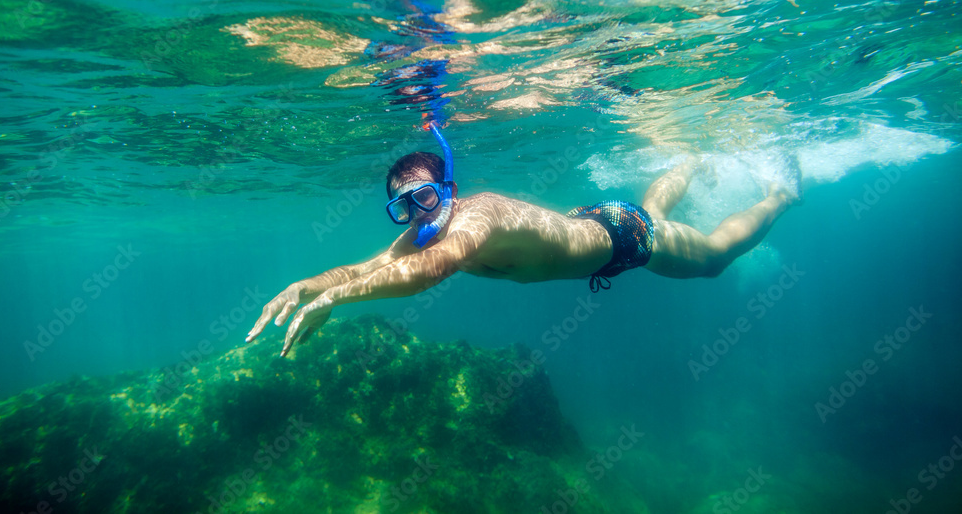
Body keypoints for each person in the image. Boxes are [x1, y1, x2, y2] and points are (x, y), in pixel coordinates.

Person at [247, 123, 801, 356]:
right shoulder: (425, 229)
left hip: (627, 239)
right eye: (402, 208)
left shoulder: (474, 219)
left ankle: (780, 194)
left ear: (449, 190)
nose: (417, 215)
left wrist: (336, 301)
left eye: (425, 198)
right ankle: (689, 158)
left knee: (712, 260)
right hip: (594, 219)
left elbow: (431, 269)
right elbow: (369, 266)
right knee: (653, 206)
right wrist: (309, 285)